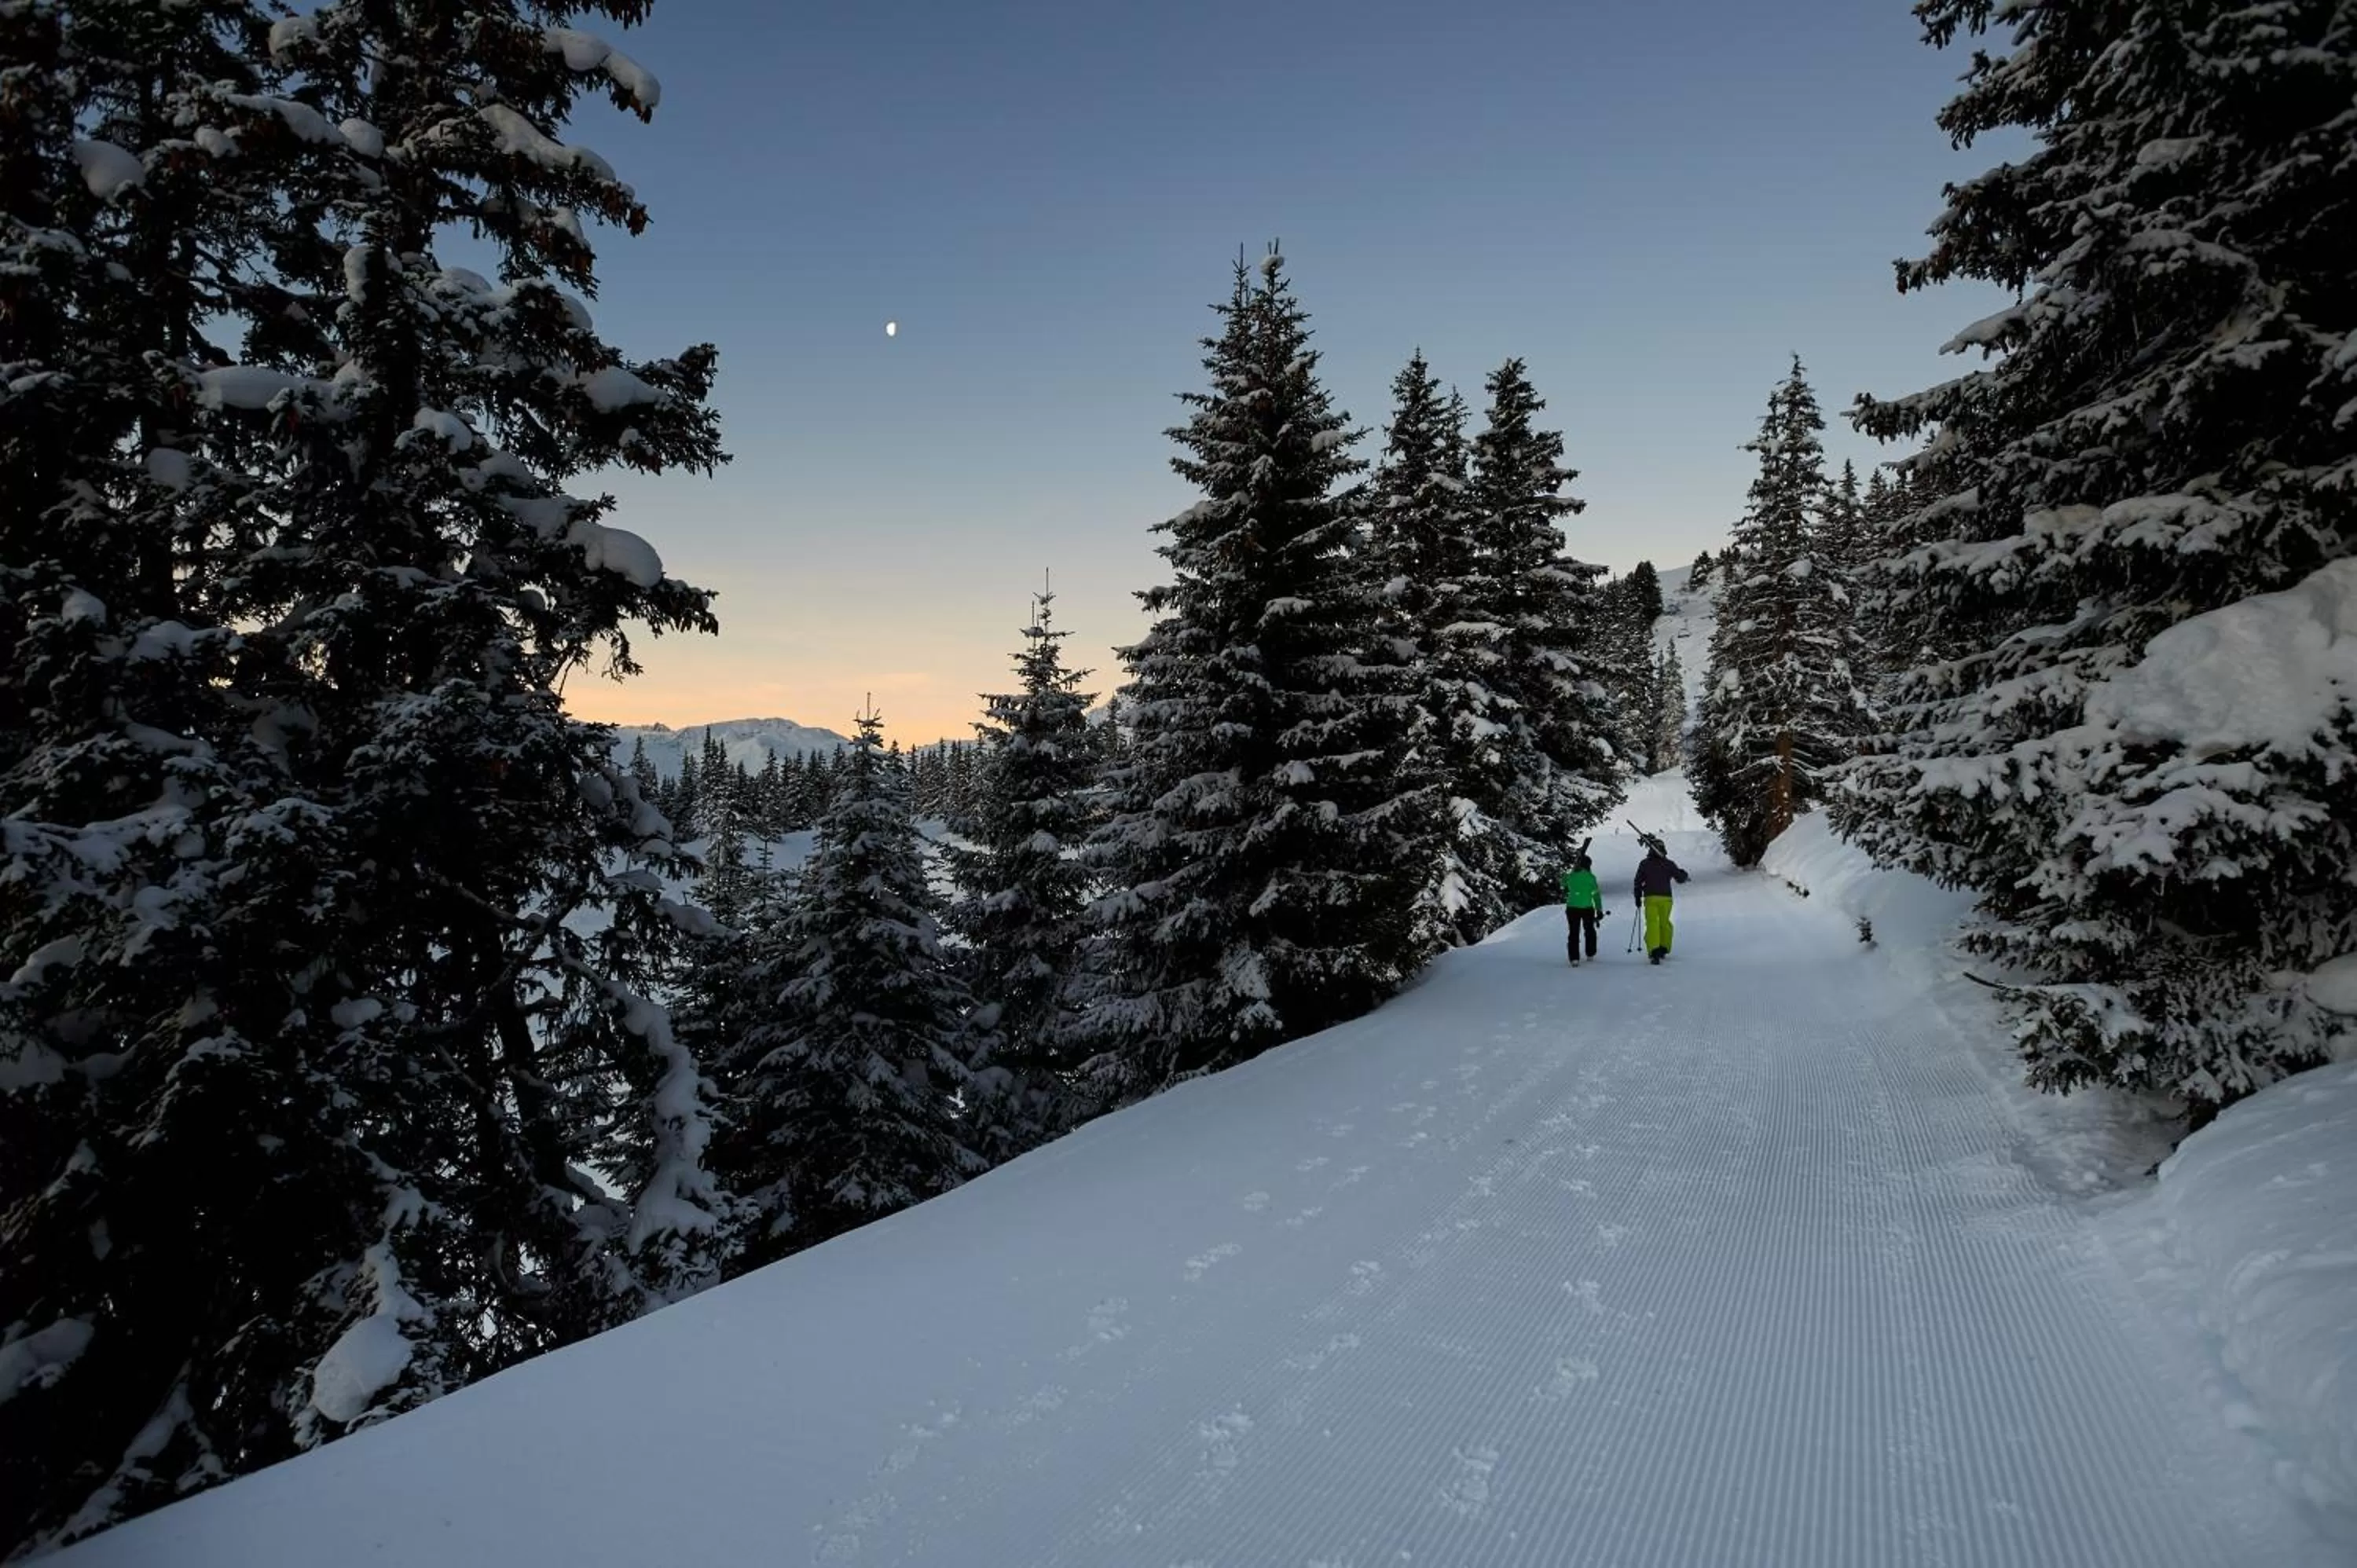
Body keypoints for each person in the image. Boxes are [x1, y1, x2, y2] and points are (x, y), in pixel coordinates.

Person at [1632, 841, 1690, 965]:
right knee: (1665, 923)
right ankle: (1664, 947)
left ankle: (1654, 951)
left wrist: (1638, 896)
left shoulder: (1645, 864)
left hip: (1651, 898)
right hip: (1666, 899)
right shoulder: (1668, 864)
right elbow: (1680, 878)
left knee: (1652, 924)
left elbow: (1638, 882)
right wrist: (1684, 874)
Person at [1561, 852, 1604, 965]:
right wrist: (1599, 909)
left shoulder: (1571, 876)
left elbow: (1563, 884)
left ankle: (1574, 958)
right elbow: (1596, 895)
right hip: (1587, 908)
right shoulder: (1591, 878)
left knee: (1573, 933)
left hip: (1572, 908)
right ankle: (1590, 953)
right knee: (1589, 931)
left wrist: (1570, 874)